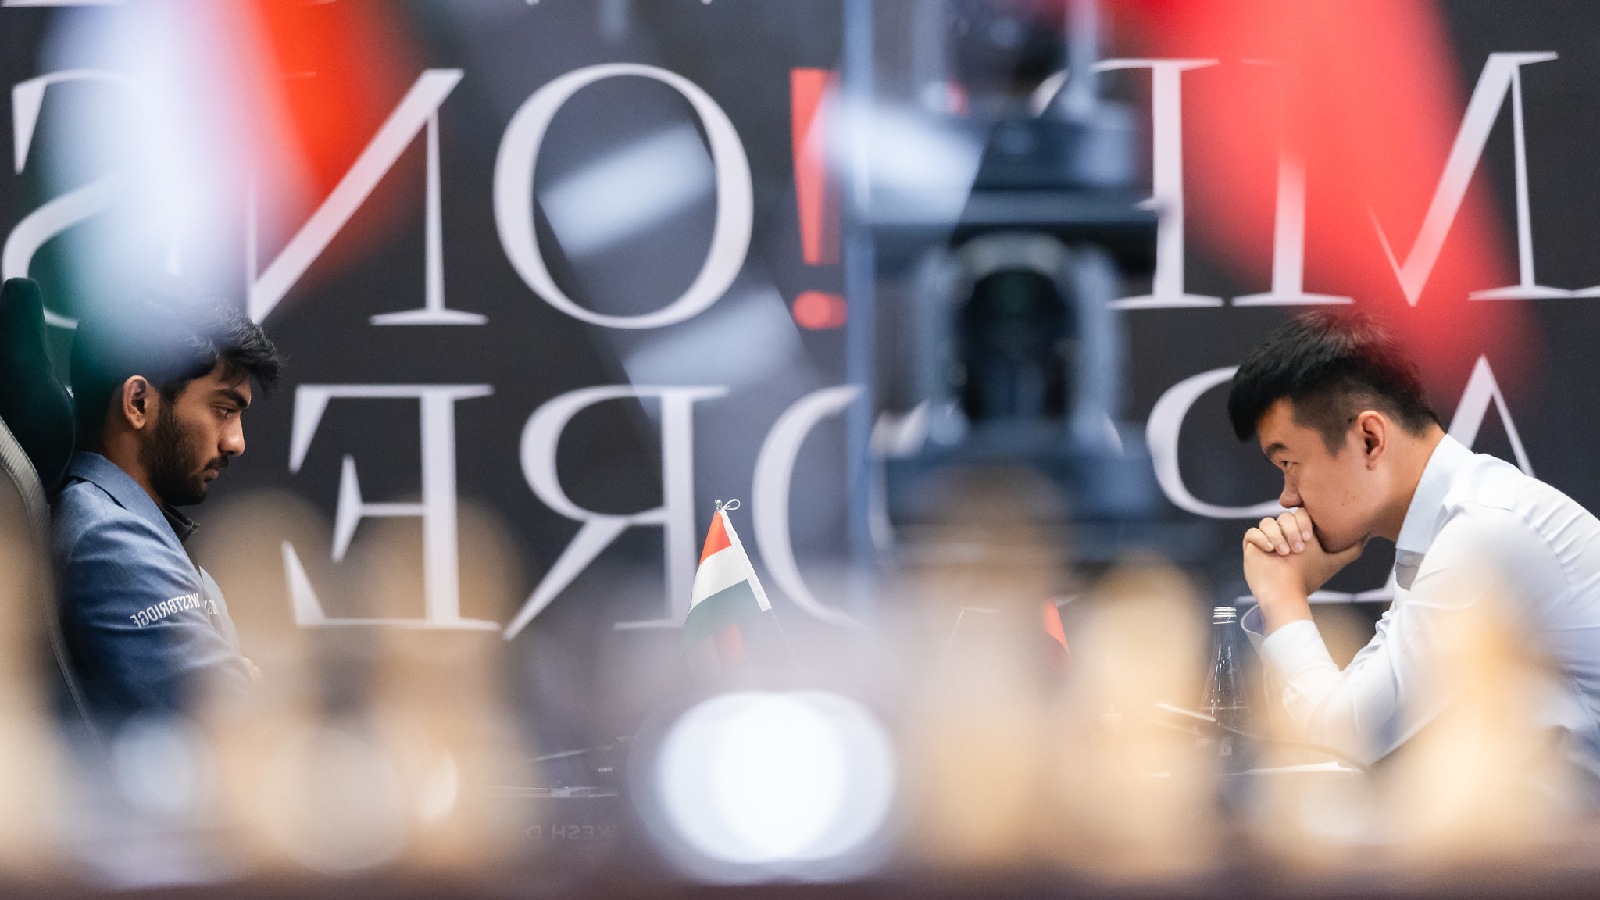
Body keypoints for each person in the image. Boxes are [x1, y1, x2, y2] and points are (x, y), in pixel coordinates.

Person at [1227, 310, 1600, 774]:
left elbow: (1342, 742)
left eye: (1288, 464)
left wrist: (1282, 597)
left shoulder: (1481, 534)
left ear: (1369, 438)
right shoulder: (1453, 525)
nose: (1287, 498)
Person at [53, 284, 282, 727]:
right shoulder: (111, 541)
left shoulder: (130, 524)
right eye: (223, 409)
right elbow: (244, 730)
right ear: (138, 403)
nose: (236, 442)